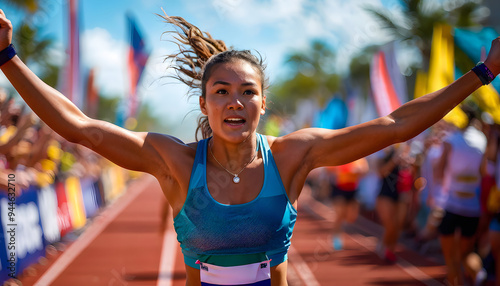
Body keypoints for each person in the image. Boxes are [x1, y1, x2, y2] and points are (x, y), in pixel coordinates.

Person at [0, 10, 500, 286]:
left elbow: (395, 125)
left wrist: (483, 73)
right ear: (204, 103)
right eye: (221, 92)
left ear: (263, 103)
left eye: (247, 92)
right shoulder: (174, 160)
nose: (235, 102)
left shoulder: (292, 155)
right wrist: (6, 57)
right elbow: (82, 128)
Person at [435, 109, 486, 286]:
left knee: (450, 258)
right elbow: (484, 171)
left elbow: (438, 171)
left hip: (452, 204)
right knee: (465, 254)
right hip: (473, 206)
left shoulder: (451, 140)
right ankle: (478, 273)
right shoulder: (483, 140)